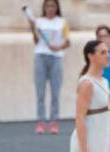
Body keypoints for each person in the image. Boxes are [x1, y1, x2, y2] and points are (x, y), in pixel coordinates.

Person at [28, 0, 70, 134]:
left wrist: (58, 47)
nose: (50, 8)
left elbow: (68, 42)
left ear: (57, 7)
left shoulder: (62, 22)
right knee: (40, 91)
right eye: (47, 6)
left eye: (53, 6)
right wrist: (32, 28)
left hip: (56, 58)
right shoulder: (38, 22)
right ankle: (41, 122)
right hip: (41, 56)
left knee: (55, 92)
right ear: (44, 8)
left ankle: (53, 122)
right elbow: (36, 41)